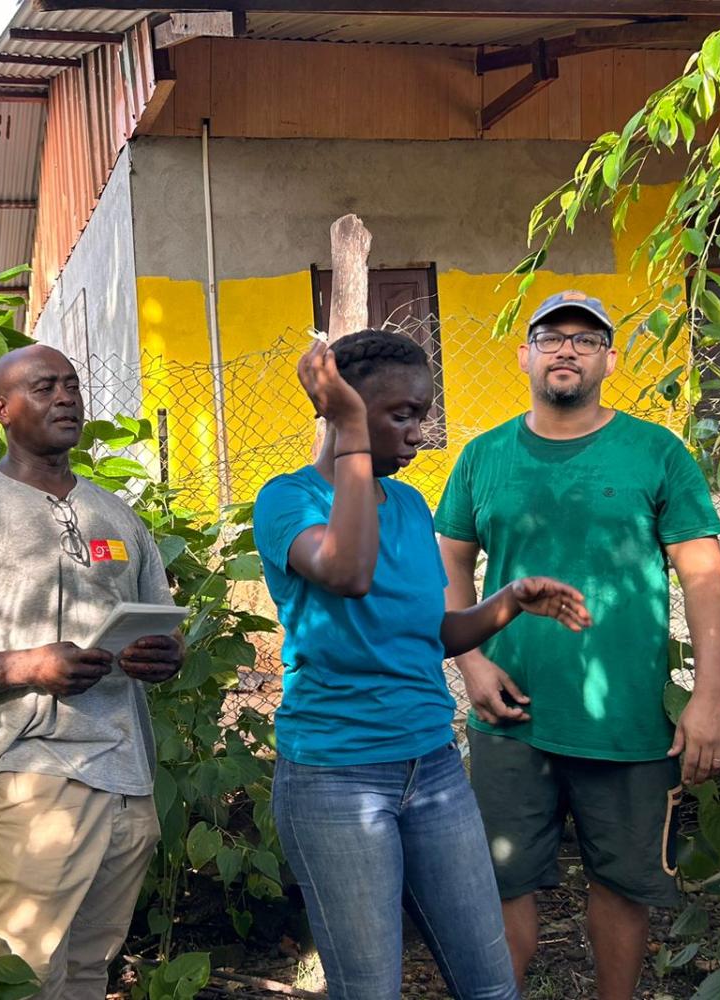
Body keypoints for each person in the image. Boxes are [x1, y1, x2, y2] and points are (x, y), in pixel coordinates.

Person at [253, 329, 593, 1000]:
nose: (418, 432)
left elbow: (427, 633)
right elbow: (346, 571)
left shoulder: (407, 504)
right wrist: (350, 427)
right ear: (342, 409)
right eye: (400, 414)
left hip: (433, 766)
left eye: (422, 412)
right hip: (335, 777)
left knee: (491, 983)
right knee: (371, 989)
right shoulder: (287, 500)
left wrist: (508, 603)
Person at [435, 290, 720, 1000]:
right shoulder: (483, 457)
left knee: (624, 886)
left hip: (627, 720)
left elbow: (703, 576)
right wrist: (471, 663)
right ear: (524, 356)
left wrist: (710, 696)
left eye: (585, 338)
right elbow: (446, 562)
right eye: (550, 336)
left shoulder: (655, 452)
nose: (566, 348)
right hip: (510, 712)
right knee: (501, 884)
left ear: (609, 359)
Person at [0, 344, 185, 999]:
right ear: (1, 408)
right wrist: (30, 666)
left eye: (72, 385)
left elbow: (167, 627)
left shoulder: (117, 516)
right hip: (27, 779)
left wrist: (162, 653)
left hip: (126, 779)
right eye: (44, 387)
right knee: (29, 980)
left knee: (86, 973)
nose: (66, 397)